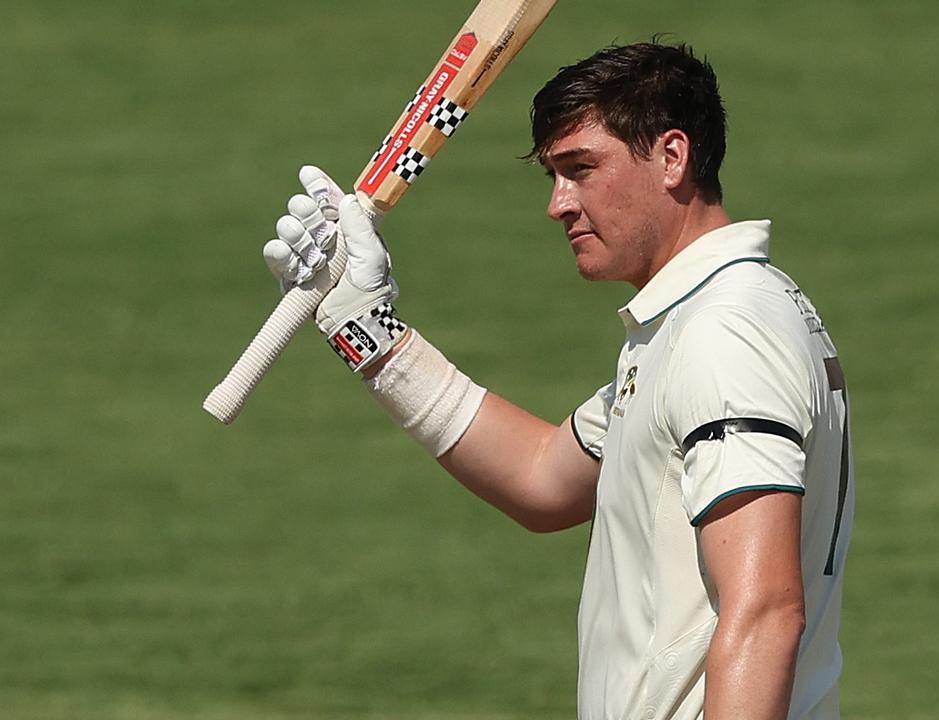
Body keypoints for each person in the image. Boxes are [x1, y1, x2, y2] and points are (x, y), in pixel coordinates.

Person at [262, 42, 854, 720]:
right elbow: (542, 479)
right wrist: (366, 329)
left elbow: (767, 612)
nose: (557, 204)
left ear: (672, 157)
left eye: (580, 169)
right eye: (553, 174)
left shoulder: (725, 333)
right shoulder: (687, 326)